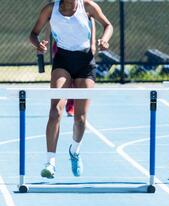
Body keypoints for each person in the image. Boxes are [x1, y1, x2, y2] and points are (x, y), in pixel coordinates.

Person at [30, 0, 113, 178]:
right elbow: (33, 34)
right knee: (55, 111)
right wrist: (38, 45)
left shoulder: (88, 6)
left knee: (80, 118)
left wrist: (104, 40)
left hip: (85, 62)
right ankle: (50, 162)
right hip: (63, 61)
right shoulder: (51, 9)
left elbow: (108, 25)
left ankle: (74, 151)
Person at [63, 16, 96, 117]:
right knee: (66, 82)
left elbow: (92, 26)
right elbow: (50, 26)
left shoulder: (87, 9)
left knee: (79, 84)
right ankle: (68, 106)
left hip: (82, 51)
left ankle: (77, 109)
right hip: (63, 48)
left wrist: (93, 44)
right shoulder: (59, 9)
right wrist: (46, 40)